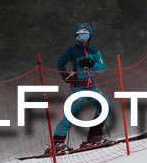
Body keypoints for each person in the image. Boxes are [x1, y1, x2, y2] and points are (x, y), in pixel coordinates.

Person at [45, 23, 109, 153]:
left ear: (90, 36)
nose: (82, 39)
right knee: (72, 112)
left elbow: (102, 69)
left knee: (105, 106)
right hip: (78, 88)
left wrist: (92, 64)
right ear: (76, 37)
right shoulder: (71, 50)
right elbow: (60, 63)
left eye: (85, 35)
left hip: (92, 87)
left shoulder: (94, 50)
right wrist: (66, 76)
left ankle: (94, 136)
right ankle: (57, 143)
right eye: (79, 36)